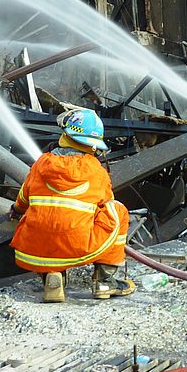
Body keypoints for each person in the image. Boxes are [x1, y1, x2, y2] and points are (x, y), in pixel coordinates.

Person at [9, 108, 134, 302]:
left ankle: (52, 277)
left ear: (66, 134)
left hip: (36, 249)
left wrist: (15, 211)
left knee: (45, 218)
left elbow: (22, 200)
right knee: (117, 210)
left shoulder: (40, 164)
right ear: (92, 145)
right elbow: (105, 203)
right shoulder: (96, 170)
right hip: (77, 246)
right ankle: (104, 282)